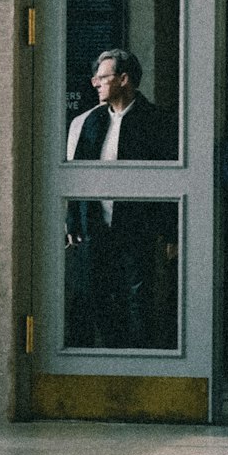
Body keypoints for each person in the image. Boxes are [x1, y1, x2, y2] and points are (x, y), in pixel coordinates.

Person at [65, 48, 177, 349]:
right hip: (95, 226)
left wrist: (171, 233)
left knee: (138, 298)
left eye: (102, 77)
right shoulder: (92, 121)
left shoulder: (157, 121)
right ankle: (114, 354)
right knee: (96, 295)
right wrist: (73, 221)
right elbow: (78, 174)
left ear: (124, 79)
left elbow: (169, 180)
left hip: (137, 226)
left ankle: (138, 361)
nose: (95, 83)